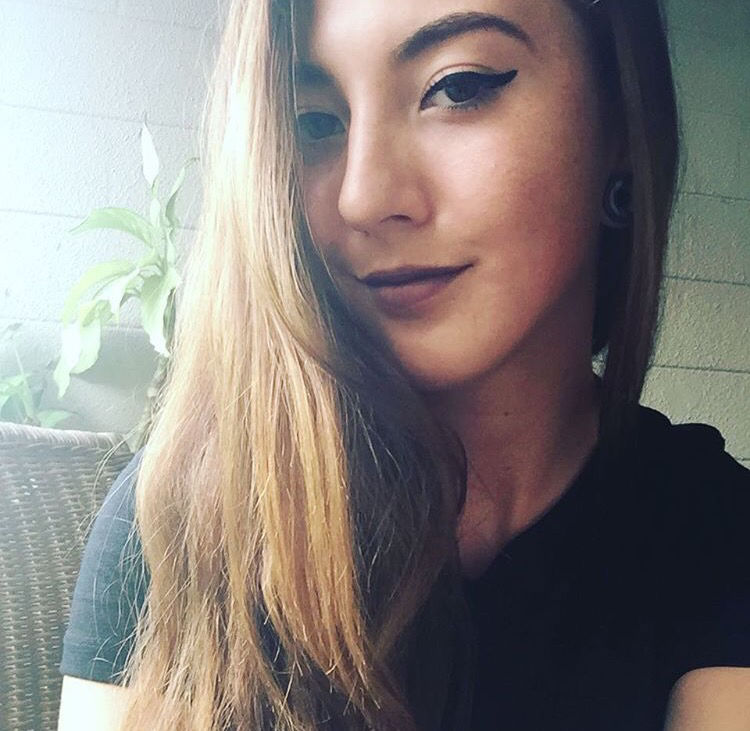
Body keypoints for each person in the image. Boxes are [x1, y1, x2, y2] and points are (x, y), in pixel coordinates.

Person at [57, 0, 750, 729]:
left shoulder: (711, 530)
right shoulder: (191, 512)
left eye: (458, 87)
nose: (363, 198)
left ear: (618, 120)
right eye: (314, 122)